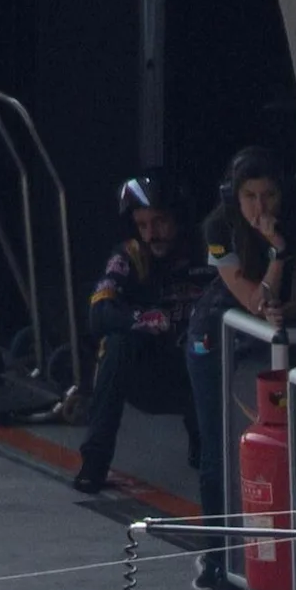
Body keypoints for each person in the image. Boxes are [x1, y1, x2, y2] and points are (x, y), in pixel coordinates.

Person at [185, 147, 296, 520]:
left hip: (266, 338)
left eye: (269, 195)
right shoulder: (218, 227)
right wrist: (277, 255)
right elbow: (252, 299)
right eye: (249, 197)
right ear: (234, 196)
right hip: (214, 333)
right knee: (218, 449)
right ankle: (217, 556)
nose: (261, 207)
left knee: (273, 444)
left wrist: (284, 311)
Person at [75, 175, 208, 495]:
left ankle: (204, 444)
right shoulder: (128, 255)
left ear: (178, 218)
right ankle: (94, 463)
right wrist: (151, 320)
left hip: (202, 371)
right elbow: (99, 313)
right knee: (116, 346)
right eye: (143, 224)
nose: (152, 234)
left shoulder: (208, 248)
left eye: (160, 222)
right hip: (151, 374)